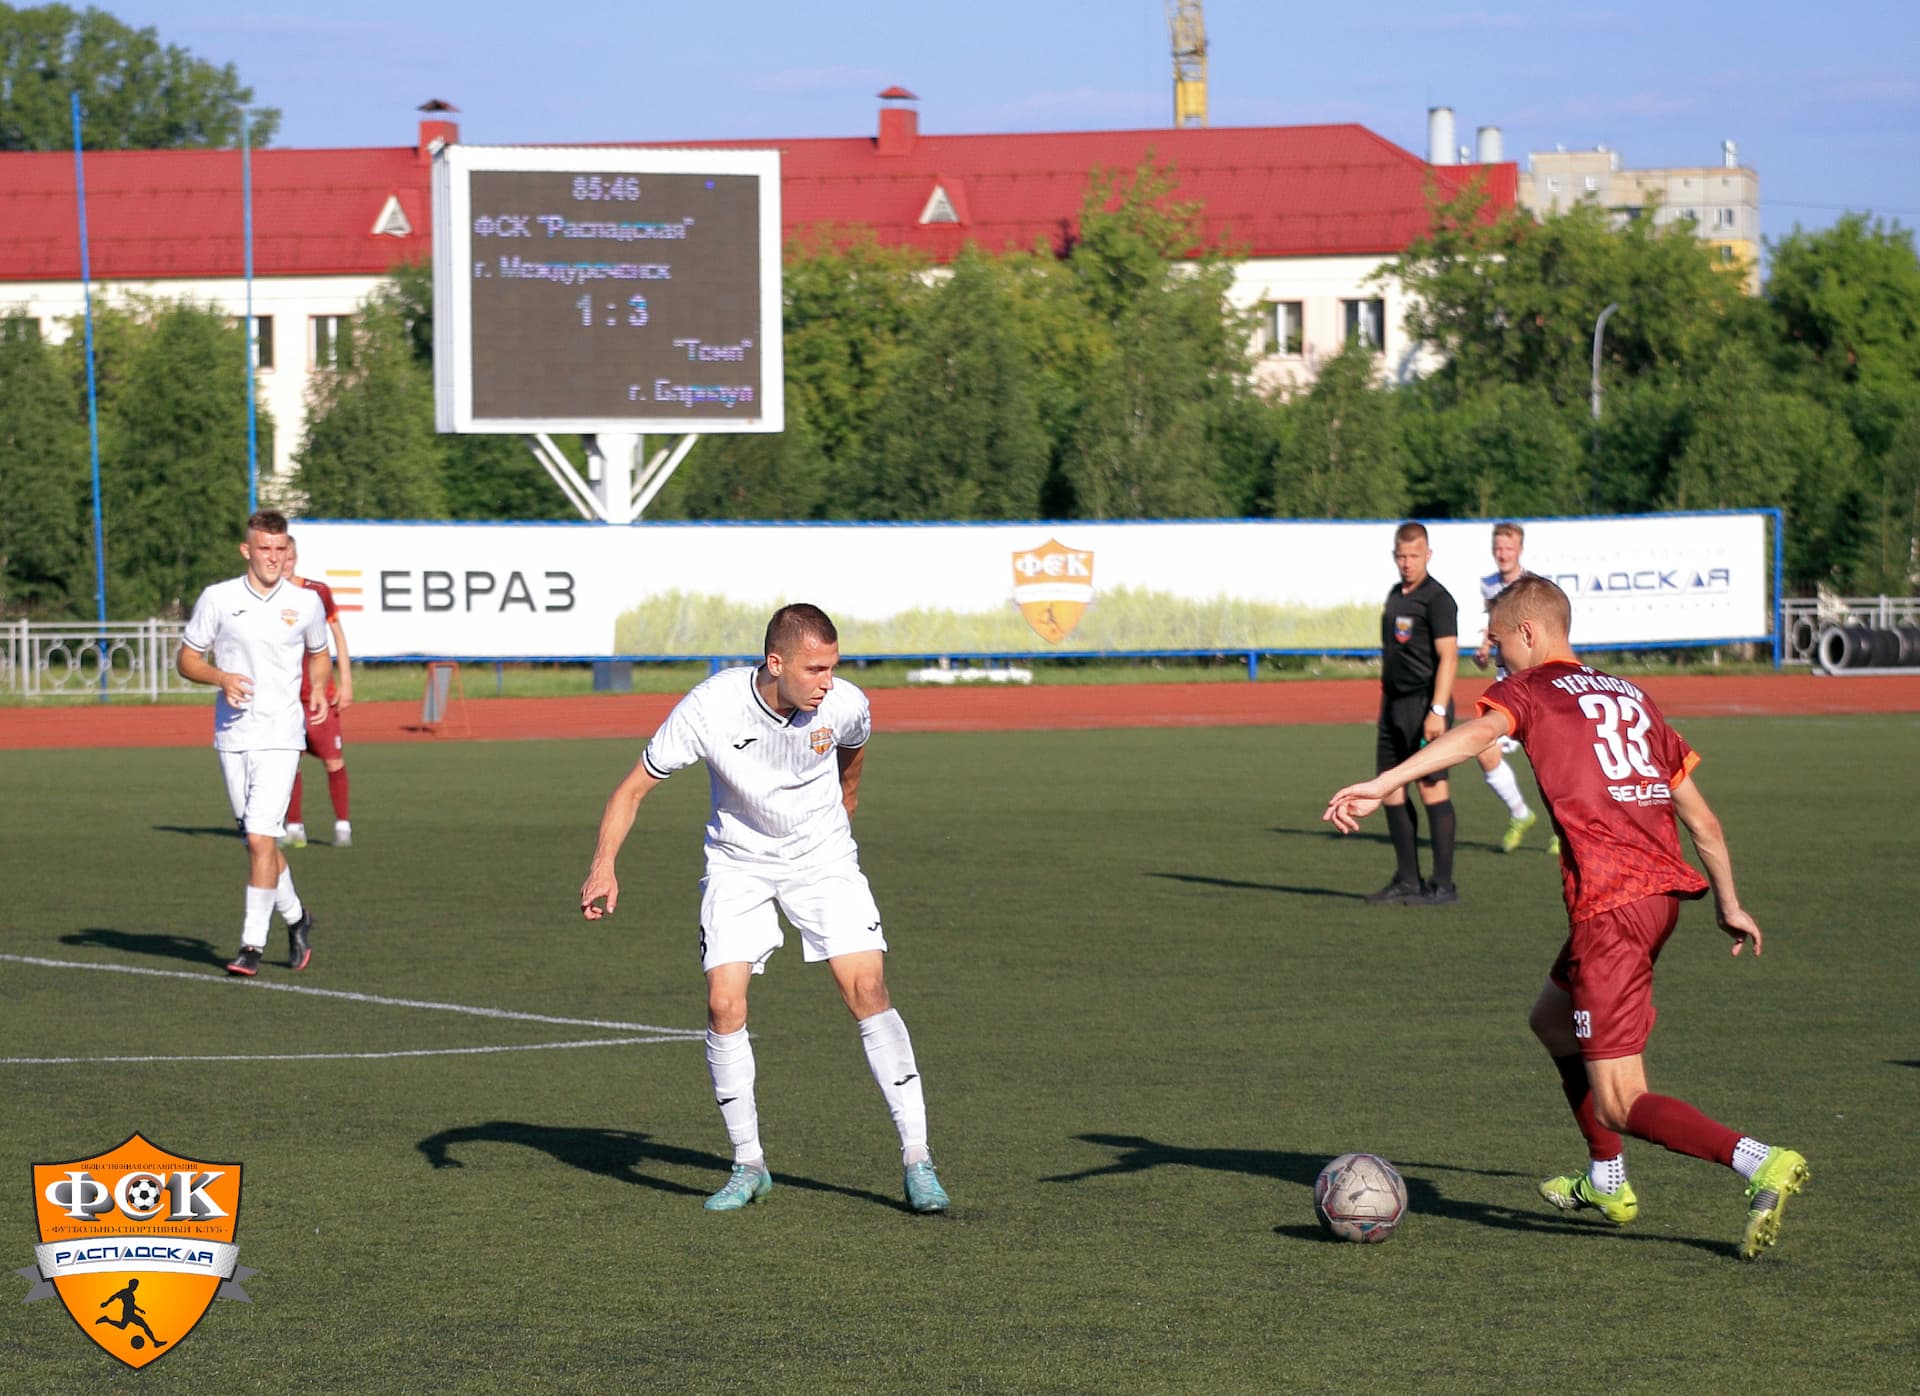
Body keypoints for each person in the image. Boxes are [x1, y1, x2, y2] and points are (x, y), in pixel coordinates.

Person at [1322, 575, 1809, 1259]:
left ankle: (1760, 1159)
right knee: (1551, 1020)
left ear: (1529, 632)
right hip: (1659, 898)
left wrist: (1385, 781)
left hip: (1612, 910)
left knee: (1619, 1100)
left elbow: (1473, 738)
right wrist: (1729, 902)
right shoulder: (1632, 696)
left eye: (1498, 645)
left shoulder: (1531, 692)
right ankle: (1608, 1180)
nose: (1496, 662)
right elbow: (1702, 819)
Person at [579, 603, 949, 1215]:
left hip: (823, 859)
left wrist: (846, 803)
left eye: (833, 667)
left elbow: (854, 750)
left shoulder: (845, 702)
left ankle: (918, 1158)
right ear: (775, 664)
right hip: (739, 861)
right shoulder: (709, 708)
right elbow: (633, 788)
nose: (827, 681)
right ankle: (747, 1163)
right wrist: (603, 865)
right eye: (815, 669)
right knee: (724, 1002)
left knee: (867, 988)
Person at [176, 510, 328, 977]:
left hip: (282, 734)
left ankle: (251, 946)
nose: (273, 558)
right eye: (265, 549)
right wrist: (220, 677)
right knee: (258, 843)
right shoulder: (218, 599)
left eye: (281, 550)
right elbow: (186, 659)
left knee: (262, 837)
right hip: (233, 736)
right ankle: (298, 916)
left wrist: (319, 687)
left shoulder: (306, 603)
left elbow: (320, 654)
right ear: (247, 551)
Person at [1367, 521, 1460, 905]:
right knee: (1389, 786)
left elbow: (1449, 657)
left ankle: (1442, 886)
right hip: (1394, 707)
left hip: (1426, 705)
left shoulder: (1438, 599)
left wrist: (1437, 709)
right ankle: (1407, 879)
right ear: (1394, 556)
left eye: (1414, 555)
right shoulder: (1395, 593)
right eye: (1401, 556)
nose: (1407, 563)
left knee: (1432, 789)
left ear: (1428, 555)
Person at [1471, 522, 1554, 855]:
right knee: (1484, 748)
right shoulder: (1489, 585)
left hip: (1535, 684)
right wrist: (1484, 649)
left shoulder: (1532, 588)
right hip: (1507, 684)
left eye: (1508, 548)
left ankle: (1563, 829)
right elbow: (1494, 629)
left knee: (1549, 762)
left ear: (1519, 550)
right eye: (1498, 548)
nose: (1502, 553)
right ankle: (1521, 814)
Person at [280, 535, 354, 849]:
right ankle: (294, 827)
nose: (282, 563)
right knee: (288, 761)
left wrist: (346, 681)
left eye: (287, 556)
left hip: (318, 695)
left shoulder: (316, 592)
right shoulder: (263, 598)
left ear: (294, 558)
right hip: (285, 696)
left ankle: (342, 826)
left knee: (333, 760)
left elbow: (337, 634)